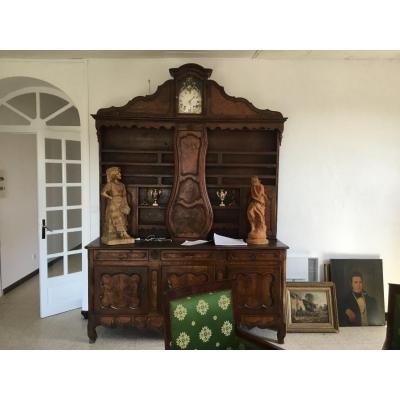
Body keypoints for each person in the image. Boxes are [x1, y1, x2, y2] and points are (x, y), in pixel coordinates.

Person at [101, 166, 133, 244]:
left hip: (121, 203)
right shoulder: (110, 184)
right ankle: (124, 233)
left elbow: (124, 195)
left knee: (122, 218)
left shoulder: (122, 185)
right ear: (114, 175)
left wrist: (125, 204)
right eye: (118, 173)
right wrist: (110, 197)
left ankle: (122, 234)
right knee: (117, 218)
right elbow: (103, 192)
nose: (120, 174)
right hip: (113, 204)